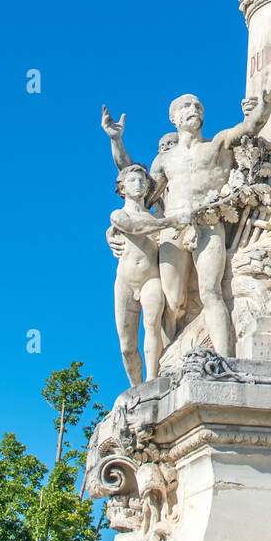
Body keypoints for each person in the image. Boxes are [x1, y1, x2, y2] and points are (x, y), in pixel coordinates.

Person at [102, 87, 271, 355]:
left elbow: (249, 127)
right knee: (172, 303)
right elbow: (139, 192)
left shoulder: (217, 144)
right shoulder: (164, 160)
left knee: (211, 292)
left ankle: (225, 360)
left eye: (198, 106)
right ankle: (167, 365)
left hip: (208, 225)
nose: (194, 109)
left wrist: (266, 105)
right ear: (174, 118)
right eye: (186, 106)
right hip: (172, 232)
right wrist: (116, 142)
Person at [109, 163, 188, 385]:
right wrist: (170, 221)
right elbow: (135, 227)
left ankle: (152, 381)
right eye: (133, 180)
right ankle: (136, 388)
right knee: (127, 347)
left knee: (152, 325)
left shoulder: (157, 216)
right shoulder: (118, 214)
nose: (139, 184)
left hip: (150, 280)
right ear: (122, 188)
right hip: (125, 283)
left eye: (142, 180)